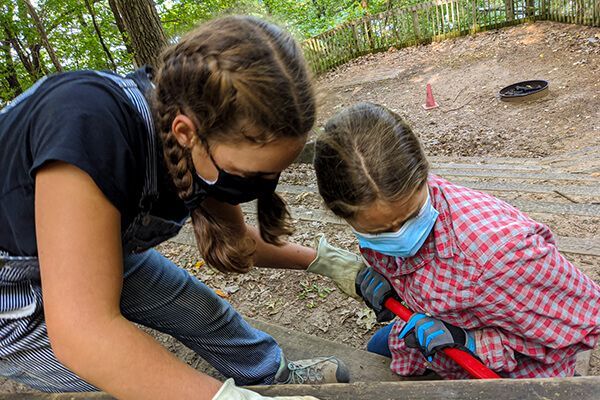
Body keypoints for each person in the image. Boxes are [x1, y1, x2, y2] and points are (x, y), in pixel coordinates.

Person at [0, 15, 357, 400]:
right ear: (188, 132)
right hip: (9, 292)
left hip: (88, 249)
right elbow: (82, 333)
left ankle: (272, 376)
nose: (257, 189)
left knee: (202, 312)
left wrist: (329, 262)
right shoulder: (89, 127)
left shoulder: (199, 139)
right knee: (113, 386)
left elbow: (236, 243)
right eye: (248, 173)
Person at [309, 102, 600, 379]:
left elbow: (588, 324)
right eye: (378, 232)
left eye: (410, 216)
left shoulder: (500, 255)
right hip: (431, 333)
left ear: (422, 173)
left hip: (511, 374)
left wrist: (471, 342)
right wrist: (393, 288)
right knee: (376, 349)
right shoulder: (382, 192)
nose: (398, 235)